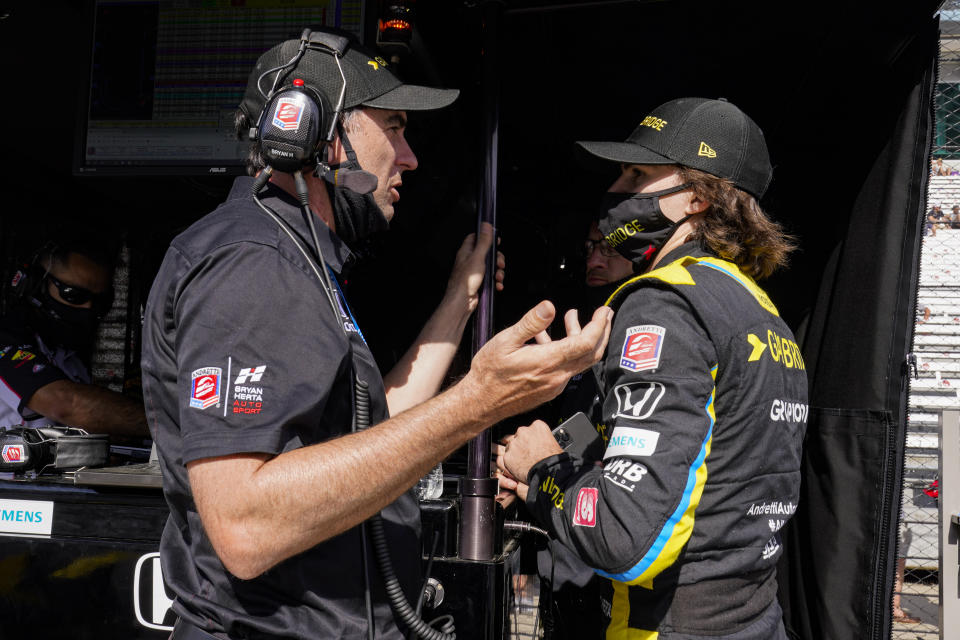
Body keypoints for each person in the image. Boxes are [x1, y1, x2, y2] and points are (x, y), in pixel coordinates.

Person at [140, 28, 612, 640]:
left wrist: (460, 301)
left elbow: (374, 429)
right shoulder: (253, 265)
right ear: (315, 134)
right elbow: (246, 526)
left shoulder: (298, 258)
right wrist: (479, 402)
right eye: (393, 127)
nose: (409, 157)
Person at [498, 97, 808, 639]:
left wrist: (540, 466)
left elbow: (622, 537)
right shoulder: (762, 311)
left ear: (697, 197)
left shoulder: (665, 303)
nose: (616, 191)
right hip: (754, 620)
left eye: (637, 173)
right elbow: (707, 483)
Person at [0, 237, 148, 436]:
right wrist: (164, 426)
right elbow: (66, 404)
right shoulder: (5, 340)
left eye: (100, 301)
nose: (88, 308)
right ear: (35, 283)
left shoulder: (68, 356)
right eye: (74, 295)